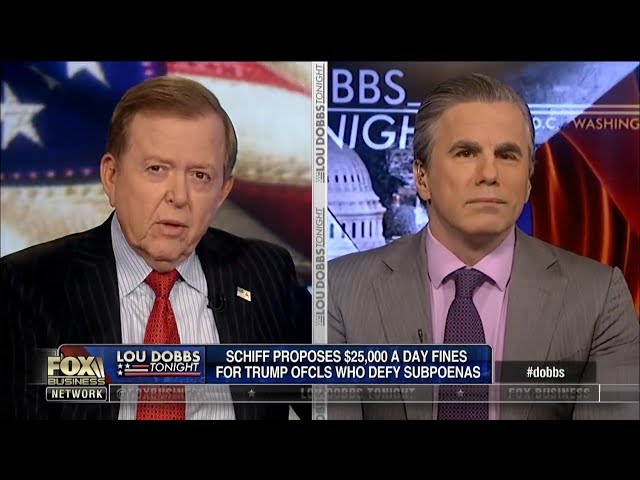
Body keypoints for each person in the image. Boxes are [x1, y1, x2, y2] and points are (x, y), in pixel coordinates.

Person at [327, 73, 639, 420]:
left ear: (528, 181)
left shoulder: (598, 298)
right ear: (422, 177)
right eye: (466, 152)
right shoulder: (341, 291)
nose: (490, 173)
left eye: (507, 155)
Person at [1, 75, 312, 420]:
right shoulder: (28, 285)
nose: (178, 196)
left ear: (223, 191)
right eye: (156, 169)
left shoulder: (265, 273)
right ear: (112, 177)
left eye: (200, 176)